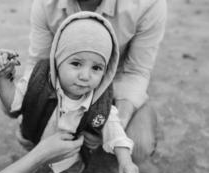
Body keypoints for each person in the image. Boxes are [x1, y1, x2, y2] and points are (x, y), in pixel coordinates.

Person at [0, 12, 139, 173]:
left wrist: (125, 160)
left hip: (70, 159)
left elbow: (115, 131)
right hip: (36, 143)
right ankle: (38, 170)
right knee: (31, 172)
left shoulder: (100, 101)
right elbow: (13, 102)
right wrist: (3, 77)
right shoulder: (37, 80)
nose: (85, 76)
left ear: (107, 70)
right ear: (58, 59)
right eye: (76, 63)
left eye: (96, 68)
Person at [26, 0, 167, 163]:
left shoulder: (149, 4)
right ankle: (70, 159)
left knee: (139, 147)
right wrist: (29, 110)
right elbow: (38, 63)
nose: (85, 76)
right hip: (65, 87)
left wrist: (108, 126)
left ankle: (85, 150)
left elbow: (136, 71)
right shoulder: (44, 4)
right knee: (29, 130)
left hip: (118, 84)